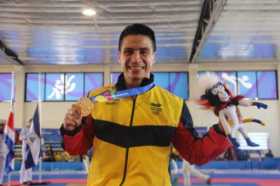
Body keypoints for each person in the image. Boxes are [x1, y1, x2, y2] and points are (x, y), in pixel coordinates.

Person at [60, 23, 231, 186]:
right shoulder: (96, 99)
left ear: (153, 57)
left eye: (144, 52)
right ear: (119, 56)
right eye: (128, 52)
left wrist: (223, 130)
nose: (136, 59)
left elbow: (195, 153)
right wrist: (71, 130)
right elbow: (76, 148)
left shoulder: (173, 105)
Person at [19, 120, 34, 185]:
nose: (31, 124)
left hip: (31, 148)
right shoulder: (24, 129)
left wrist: (31, 140)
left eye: (32, 123)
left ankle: (29, 179)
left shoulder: (33, 131)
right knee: (24, 163)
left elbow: (34, 139)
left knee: (30, 164)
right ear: (28, 122)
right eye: (30, 122)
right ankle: (22, 180)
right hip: (25, 148)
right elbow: (20, 138)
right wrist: (26, 138)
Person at [0, 120, 6, 186]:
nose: (1, 126)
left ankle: (0, 182)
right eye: (0, 125)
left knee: (1, 169)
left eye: (3, 125)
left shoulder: (6, 133)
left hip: (3, 153)